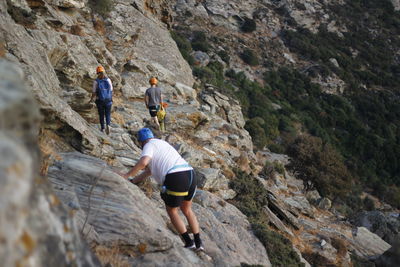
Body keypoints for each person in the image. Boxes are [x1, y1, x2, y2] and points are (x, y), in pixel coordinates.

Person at [121, 128, 204, 251]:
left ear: (141, 141)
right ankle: (199, 243)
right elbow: (149, 171)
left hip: (176, 177)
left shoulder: (148, 145)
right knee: (187, 209)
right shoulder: (162, 143)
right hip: (190, 174)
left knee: (172, 211)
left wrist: (126, 175)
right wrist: (133, 181)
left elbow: (144, 162)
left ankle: (189, 242)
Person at [90, 66, 113, 135]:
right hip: (108, 100)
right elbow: (111, 90)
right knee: (108, 114)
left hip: (100, 100)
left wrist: (91, 100)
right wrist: (111, 98)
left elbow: (94, 92)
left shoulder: (96, 81)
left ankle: (103, 128)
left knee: (101, 114)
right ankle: (108, 125)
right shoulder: (108, 80)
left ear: (97, 73)